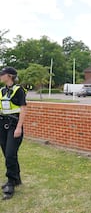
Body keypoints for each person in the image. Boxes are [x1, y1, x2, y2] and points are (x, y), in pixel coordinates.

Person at [0, 67, 27, 200]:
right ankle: (16, 179)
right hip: (2, 125)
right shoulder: (2, 91)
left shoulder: (18, 90)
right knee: (7, 153)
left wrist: (19, 127)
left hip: (14, 125)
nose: (0, 76)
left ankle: (11, 182)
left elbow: (23, 109)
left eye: (2, 74)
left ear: (9, 76)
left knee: (10, 154)